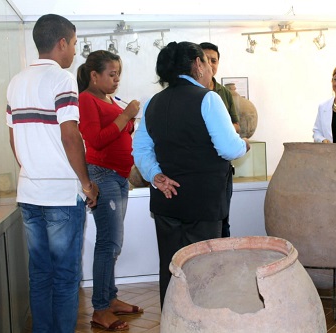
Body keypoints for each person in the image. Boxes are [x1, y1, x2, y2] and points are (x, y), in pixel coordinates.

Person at [132, 41, 250, 308]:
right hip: (203, 202)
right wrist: (244, 144)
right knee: (203, 269)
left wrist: (155, 174)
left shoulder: (153, 103)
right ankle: (202, 323)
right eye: (208, 63)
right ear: (198, 64)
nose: (210, 69)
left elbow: (140, 149)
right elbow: (228, 148)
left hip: (167, 198)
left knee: (172, 267)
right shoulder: (208, 98)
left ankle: (173, 320)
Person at [6, 14, 99, 332]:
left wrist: (32, 168)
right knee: (64, 276)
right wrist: (86, 183)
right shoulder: (62, 78)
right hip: (61, 194)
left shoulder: (16, 81)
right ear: (62, 43)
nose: (74, 51)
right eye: (73, 44)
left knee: (40, 274)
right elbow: (70, 134)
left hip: (29, 193)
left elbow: (13, 137)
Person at [77, 50, 141, 331]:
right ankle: (100, 309)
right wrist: (126, 115)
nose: (117, 80)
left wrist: (128, 122)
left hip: (117, 176)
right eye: (111, 74)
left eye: (119, 75)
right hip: (102, 175)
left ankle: (110, 299)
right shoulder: (86, 99)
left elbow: (116, 133)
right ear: (94, 75)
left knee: (113, 243)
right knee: (108, 243)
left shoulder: (108, 99)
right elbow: (95, 140)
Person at [200, 42, 240, 238]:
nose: (210, 64)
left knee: (224, 218)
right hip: (199, 167)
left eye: (213, 60)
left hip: (222, 166)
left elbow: (236, 125)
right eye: (205, 59)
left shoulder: (224, 92)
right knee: (202, 220)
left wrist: (221, 131)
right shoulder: (193, 92)